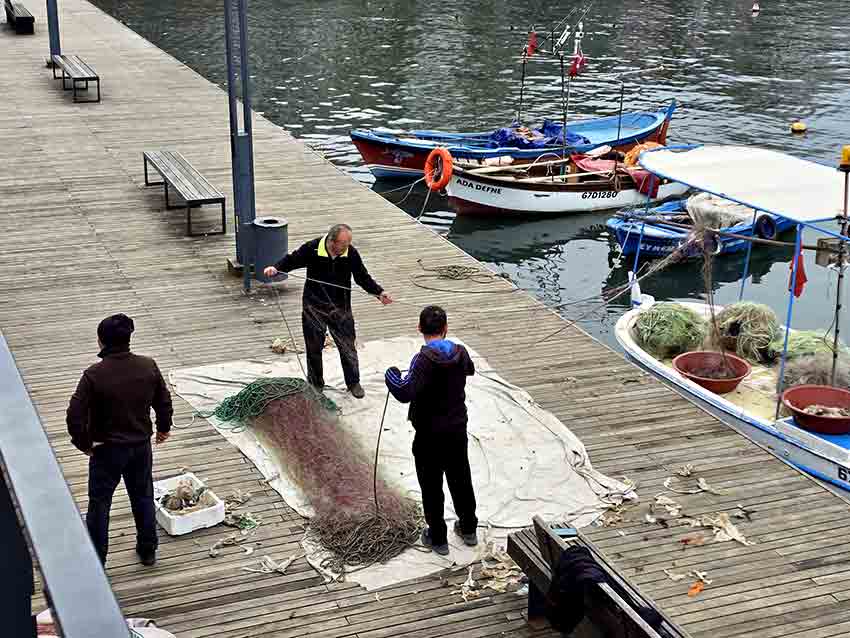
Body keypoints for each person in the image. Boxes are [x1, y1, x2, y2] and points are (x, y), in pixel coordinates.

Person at [66, 314, 173, 566]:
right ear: (128, 338)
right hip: (140, 447)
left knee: (100, 504)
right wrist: (163, 427)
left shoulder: (93, 375)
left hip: (106, 451)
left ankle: (98, 559)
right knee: (143, 496)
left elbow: (74, 416)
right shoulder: (148, 365)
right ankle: (148, 550)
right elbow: (163, 400)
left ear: (100, 341)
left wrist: (84, 444)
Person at [384, 305, 478, 555]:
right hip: (457, 430)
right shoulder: (460, 352)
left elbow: (404, 391)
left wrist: (390, 374)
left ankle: (438, 537)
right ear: (446, 328)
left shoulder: (422, 359)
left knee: (431, 485)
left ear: (419, 329)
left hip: (428, 434)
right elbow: (470, 369)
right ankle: (468, 529)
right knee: (461, 479)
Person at [263, 223, 392, 398]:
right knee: (313, 347)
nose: (347, 248)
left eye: (348, 244)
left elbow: (362, 277)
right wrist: (276, 268)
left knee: (347, 346)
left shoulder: (351, 254)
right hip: (313, 306)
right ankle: (316, 383)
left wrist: (379, 292)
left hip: (340, 308)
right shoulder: (313, 248)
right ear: (332, 241)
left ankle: (353, 381)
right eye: (343, 245)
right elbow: (292, 260)